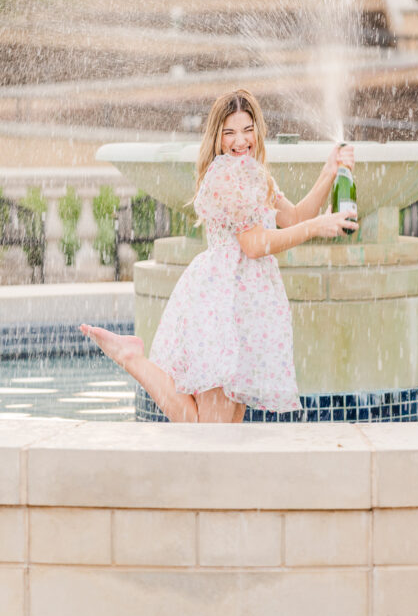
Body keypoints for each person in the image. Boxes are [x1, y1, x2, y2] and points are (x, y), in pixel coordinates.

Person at [81, 89, 357, 423]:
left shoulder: (255, 175)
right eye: (229, 132)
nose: (240, 140)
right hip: (221, 305)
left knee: (226, 429)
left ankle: (131, 357)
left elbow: (294, 217)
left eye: (247, 129)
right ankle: (131, 358)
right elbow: (254, 245)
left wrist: (329, 172)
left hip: (245, 308)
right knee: (210, 429)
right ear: (217, 137)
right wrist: (317, 226)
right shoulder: (226, 176)